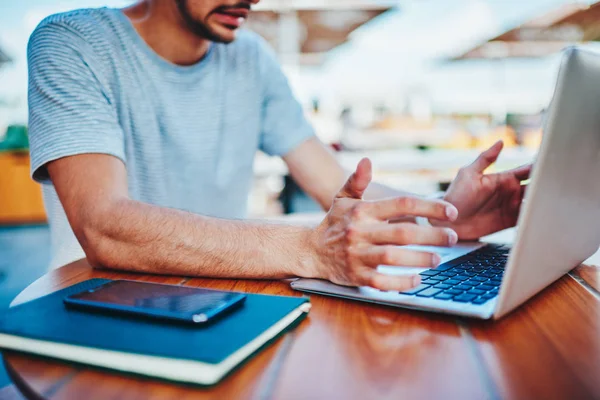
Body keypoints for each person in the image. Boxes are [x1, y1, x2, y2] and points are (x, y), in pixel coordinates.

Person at [27, 0, 529, 292]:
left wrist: (444, 216)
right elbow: (103, 226)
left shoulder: (251, 59)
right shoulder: (72, 41)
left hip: (216, 293)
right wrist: (309, 250)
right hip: (95, 298)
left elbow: (337, 188)